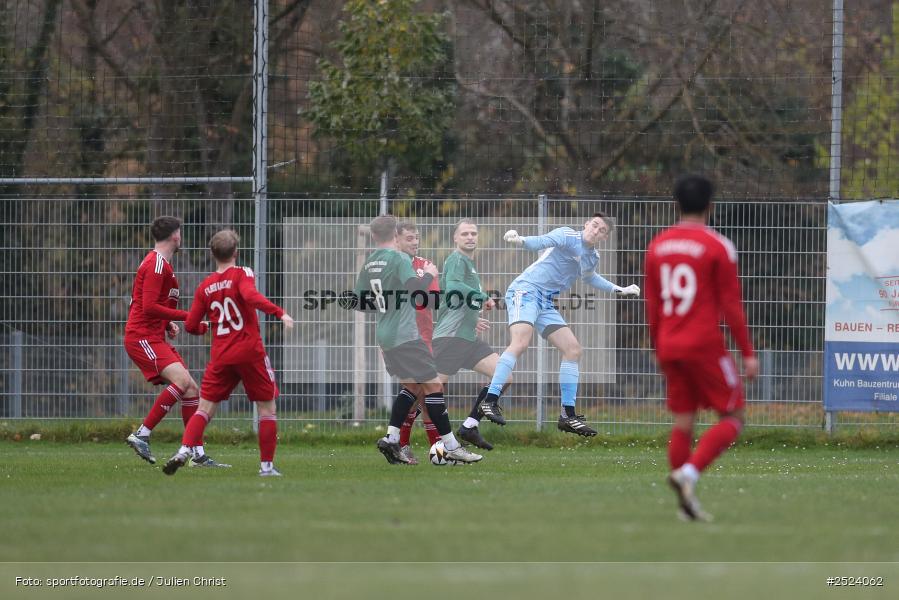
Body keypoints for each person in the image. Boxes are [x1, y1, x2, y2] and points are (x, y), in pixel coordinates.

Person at [644, 175, 758, 521]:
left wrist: (655, 343)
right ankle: (688, 474)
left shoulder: (657, 245)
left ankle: (686, 506)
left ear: (676, 204)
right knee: (733, 415)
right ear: (711, 205)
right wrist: (748, 353)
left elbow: (652, 303)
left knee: (683, 422)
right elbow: (731, 305)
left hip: (668, 344)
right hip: (704, 344)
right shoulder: (717, 245)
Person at [479, 213, 641, 436]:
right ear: (586, 224)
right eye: (595, 225)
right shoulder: (566, 235)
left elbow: (590, 277)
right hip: (525, 291)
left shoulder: (592, 257)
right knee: (520, 342)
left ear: (604, 237)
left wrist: (618, 289)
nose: (596, 231)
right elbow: (542, 241)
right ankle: (490, 400)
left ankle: (568, 415)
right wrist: (521, 240)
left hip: (545, 302)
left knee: (573, 350)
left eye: (602, 230)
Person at [162, 229, 294, 476]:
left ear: (213, 254)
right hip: (249, 352)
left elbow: (190, 325)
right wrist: (279, 313)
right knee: (267, 408)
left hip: (221, 355)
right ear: (236, 252)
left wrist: (206, 327)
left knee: (204, 408)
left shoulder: (205, 286)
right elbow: (250, 296)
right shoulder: (242, 274)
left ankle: (183, 450)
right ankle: (266, 467)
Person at [352, 215, 482, 465]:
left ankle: (391, 439)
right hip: (406, 336)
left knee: (411, 387)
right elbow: (416, 290)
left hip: (385, 335)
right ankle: (452, 446)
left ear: (372, 236)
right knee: (434, 386)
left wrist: (385, 305)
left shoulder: (370, 262)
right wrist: (429, 274)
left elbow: (359, 301)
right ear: (395, 235)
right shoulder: (399, 258)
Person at [123, 216, 227, 467]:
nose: (181, 237)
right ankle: (142, 434)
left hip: (153, 335)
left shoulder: (162, 265)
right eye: (180, 233)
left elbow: (141, 302)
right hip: (142, 338)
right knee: (182, 382)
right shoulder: (156, 264)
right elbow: (148, 307)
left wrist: (167, 323)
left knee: (192, 390)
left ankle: (198, 454)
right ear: (175, 236)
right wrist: (188, 316)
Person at [433, 219, 509, 450]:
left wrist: (473, 317)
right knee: (429, 391)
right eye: (464, 233)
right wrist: (482, 297)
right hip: (452, 337)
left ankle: (469, 426)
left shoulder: (469, 264)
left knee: (503, 375)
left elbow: (455, 299)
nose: (470, 237)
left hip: (467, 336)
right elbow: (455, 287)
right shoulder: (456, 259)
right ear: (455, 238)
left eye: (473, 233)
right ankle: (395, 435)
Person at [393, 222, 443, 464]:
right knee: (417, 391)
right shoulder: (393, 265)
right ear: (397, 241)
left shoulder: (424, 266)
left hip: (425, 337)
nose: (414, 242)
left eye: (416, 238)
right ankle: (408, 446)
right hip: (403, 339)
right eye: (409, 238)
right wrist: (428, 279)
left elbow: (431, 300)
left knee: (421, 394)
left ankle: (411, 447)